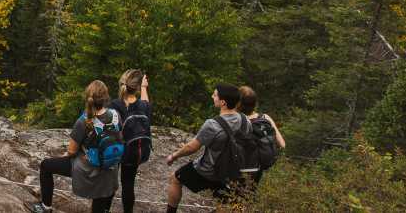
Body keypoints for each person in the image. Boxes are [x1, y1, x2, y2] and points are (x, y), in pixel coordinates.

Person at [30, 81, 121, 213]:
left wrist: (67, 155)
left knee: (46, 165)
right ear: (106, 97)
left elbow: (72, 151)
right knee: (102, 190)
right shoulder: (115, 115)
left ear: (88, 98)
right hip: (109, 167)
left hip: (88, 168)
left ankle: (45, 207)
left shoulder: (84, 120)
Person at [164, 83, 252, 213]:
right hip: (232, 172)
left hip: (208, 171)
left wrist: (174, 155)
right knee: (228, 201)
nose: (212, 96)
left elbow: (192, 147)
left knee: (175, 179)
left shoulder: (212, 124)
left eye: (215, 95)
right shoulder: (246, 121)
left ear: (223, 102)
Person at [109, 70, 151, 213]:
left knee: (110, 184)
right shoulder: (143, 107)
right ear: (137, 88)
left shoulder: (114, 105)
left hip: (115, 150)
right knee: (128, 184)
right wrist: (144, 87)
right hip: (133, 152)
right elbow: (146, 103)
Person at [238, 85, 285, 185]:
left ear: (238, 103)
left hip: (240, 167)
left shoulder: (237, 120)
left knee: (234, 195)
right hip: (258, 167)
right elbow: (282, 144)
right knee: (250, 193)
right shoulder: (265, 117)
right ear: (255, 103)